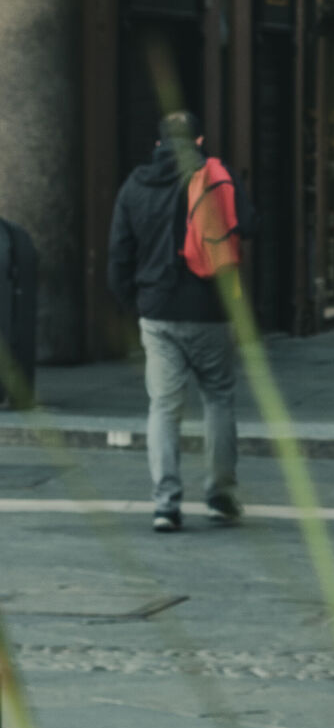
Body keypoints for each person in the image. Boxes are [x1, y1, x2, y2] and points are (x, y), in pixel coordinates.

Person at [107, 110, 255, 534]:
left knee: (164, 407)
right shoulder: (213, 174)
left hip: (157, 311)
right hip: (209, 309)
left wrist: (136, 303)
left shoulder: (135, 185)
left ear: (157, 144)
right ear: (200, 139)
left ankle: (166, 504)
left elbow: (118, 255)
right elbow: (249, 223)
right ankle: (220, 498)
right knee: (219, 399)